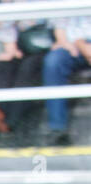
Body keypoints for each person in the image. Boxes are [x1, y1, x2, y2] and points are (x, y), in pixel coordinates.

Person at [0, 9, 50, 147]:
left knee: (29, 68)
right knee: (2, 65)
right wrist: (11, 47)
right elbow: (6, 19)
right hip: (20, 41)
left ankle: (9, 123)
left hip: (52, 41)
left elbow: (61, 20)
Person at [43, 15, 91, 145]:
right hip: (73, 43)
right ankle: (57, 129)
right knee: (54, 62)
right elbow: (61, 21)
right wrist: (81, 45)